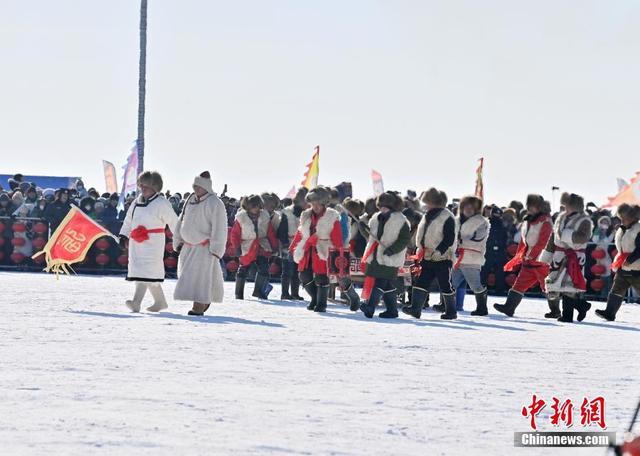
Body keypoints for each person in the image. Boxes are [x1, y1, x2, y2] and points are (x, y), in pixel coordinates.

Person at [119, 171, 178, 313]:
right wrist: (123, 235)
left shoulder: (162, 203)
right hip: (136, 243)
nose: (142, 188)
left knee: (146, 270)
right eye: (141, 185)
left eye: (146, 185)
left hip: (153, 243)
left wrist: (180, 239)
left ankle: (136, 302)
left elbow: (173, 222)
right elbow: (128, 220)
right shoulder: (136, 201)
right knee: (148, 273)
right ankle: (160, 302)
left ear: (155, 187)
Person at [173, 171, 228, 316]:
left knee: (201, 277)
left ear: (206, 187)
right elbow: (181, 219)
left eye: (198, 186)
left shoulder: (215, 203)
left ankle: (199, 305)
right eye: (194, 186)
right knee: (188, 275)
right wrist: (177, 239)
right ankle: (205, 299)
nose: (195, 189)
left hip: (204, 247)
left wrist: (216, 248)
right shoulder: (190, 199)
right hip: (188, 246)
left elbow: (220, 226)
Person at [402, 187, 457, 319]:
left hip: (443, 257)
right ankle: (416, 308)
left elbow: (449, 238)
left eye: (428, 201)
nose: (426, 204)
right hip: (427, 256)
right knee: (421, 282)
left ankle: (451, 311)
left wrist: (439, 251)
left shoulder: (447, 216)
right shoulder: (427, 215)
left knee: (445, 284)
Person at [494, 195, 553, 317]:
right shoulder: (528, 220)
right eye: (529, 206)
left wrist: (532, 255)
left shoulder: (546, 221)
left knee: (548, 286)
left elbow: (543, 241)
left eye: (533, 207)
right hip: (529, 260)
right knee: (519, 284)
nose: (530, 209)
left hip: (541, 260)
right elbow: (524, 239)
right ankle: (509, 307)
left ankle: (556, 310)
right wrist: (522, 254)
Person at [542, 193, 593, 322]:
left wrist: (566, 235)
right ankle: (581, 306)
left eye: (568, 205)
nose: (565, 208)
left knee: (569, 288)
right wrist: (547, 254)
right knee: (555, 286)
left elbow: (583, 237)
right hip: (559, 256)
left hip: (574, 256)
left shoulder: (584, 220)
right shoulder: (561, 217)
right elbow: (553, 237)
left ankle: (568, 315)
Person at [290, 186, 343, 312]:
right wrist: (294, 246)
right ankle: (314, 298)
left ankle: (321, 303)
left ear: (324, 203)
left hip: (323, 249)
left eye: (318, 204)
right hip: (307, 249)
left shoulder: (331, 217)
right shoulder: (306, 215)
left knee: (321, 278)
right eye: (313, 203)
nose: (315, 206)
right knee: (304, 276)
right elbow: (300, 232)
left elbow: (337, 237)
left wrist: (338, 253)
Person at [359, 191, 411, 319]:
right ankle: (392, 311)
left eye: (386, 206)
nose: (382, 208)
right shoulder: (375, 218)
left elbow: (404, 239)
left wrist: (393, 250)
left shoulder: (401, 220)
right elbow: (371, 238)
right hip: (375, 255)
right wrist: (363, 229)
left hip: (390, 257)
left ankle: (370, 306)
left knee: (380, 282)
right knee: (386, 285)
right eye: (381, 205)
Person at [595, 204, 640, 321]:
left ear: (633, 218)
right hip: (623, 265)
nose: (622, 220)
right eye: (621, 218)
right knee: (616, 289)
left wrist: (630, 260)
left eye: (624, 218)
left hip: (636, 267)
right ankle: (609, 313)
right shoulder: (623, 228)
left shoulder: (638, 229)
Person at [230, 194, 278, 300]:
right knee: (243, 269)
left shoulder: (264, 216)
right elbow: (235, 234)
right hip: (247, 246)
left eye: (257, 205)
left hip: (262, 245)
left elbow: (270, 232)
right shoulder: (241, 218)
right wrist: (237, 247)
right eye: (253, 206)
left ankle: (258, 291)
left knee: (264, 269)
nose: (256, 208)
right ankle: (239, 293)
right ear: (247, 206)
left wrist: (274, 245)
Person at [451, 195, 490, 315]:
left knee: (475, 285)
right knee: (451, 283)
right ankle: (447, 306)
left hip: (471, 258)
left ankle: (482, 308)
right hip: (456, 258)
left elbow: (478, 238)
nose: (468, 209)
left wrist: (460, 241)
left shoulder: (481, 222)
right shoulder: (456, 221)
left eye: (471, 207)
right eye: (466, 206)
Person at [277, 187, 308, 300]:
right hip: (288, 244)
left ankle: (294, 293)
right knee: (287, 271)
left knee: (296, 271)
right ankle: (285, 293)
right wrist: (285, 243)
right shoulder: (287, 212)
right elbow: (282, 230)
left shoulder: (307, 214)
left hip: (301, 245)